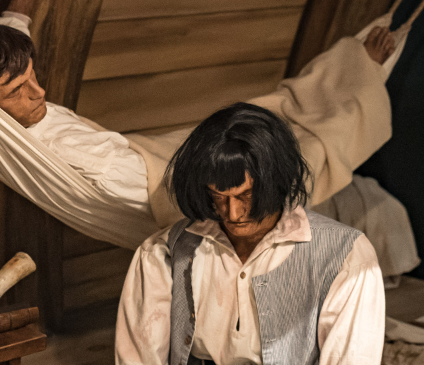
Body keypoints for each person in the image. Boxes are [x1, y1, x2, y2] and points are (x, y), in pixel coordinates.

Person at [0, 0, 398, 248]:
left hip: (155, 153)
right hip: (166, 181)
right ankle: (361, 74)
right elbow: (197, 199)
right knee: (304, 143)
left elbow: (12, 46)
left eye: (32, 77)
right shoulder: (56, 155)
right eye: (17, 93)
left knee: (277, 106)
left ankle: (349, 76)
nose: (38, 93)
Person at [115, 103, 385, 364]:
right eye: (218, 196)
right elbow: (139, 357)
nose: (232, 214)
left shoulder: (346, 256)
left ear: (276, 182)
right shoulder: (163, 252)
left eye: (246, 195)